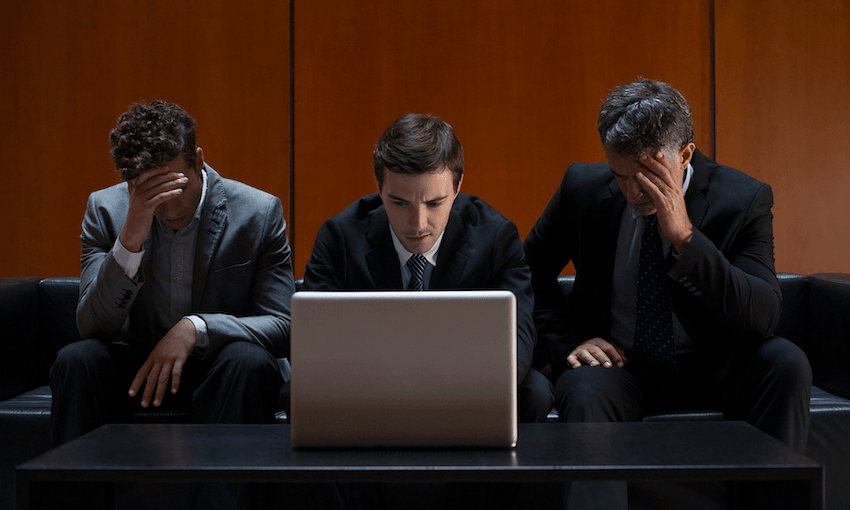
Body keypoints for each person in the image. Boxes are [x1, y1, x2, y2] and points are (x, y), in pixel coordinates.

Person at [524, 79, 812, 507]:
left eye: (649, 177)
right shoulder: (582, 189)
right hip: (619, 364)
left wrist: (686, 240)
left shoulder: (743, 199)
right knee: (584, 389)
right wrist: (571, 341)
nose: (633, 192)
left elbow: (763, 315)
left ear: (685, 155)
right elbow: (527, 273)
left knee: (787, 363)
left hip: (714, 360)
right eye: (621, 176)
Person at [50, 101, 294, 445]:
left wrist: (196, 327)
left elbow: (283, 324)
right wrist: (131, 237)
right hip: (139, 365)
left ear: (197, 159)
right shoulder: (106, 210)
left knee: (248, 361)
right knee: (77, 360)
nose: (170, 207)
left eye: (176, 187)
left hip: (220, 366)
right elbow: (93, 326)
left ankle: (223, 497)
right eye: (152, 194)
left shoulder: (258, 212)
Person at [302, 112, 554, 423]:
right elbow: (316, 339)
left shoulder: (495, 237)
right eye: (399, 202)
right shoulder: (339, 237)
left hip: (469, 379)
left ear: (458, 185)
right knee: (296, 393)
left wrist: (463, 386)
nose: (418, 224)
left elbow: (518, 334)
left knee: (534, 394)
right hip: (369, 379)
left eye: (434, 203)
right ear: (379, 187)